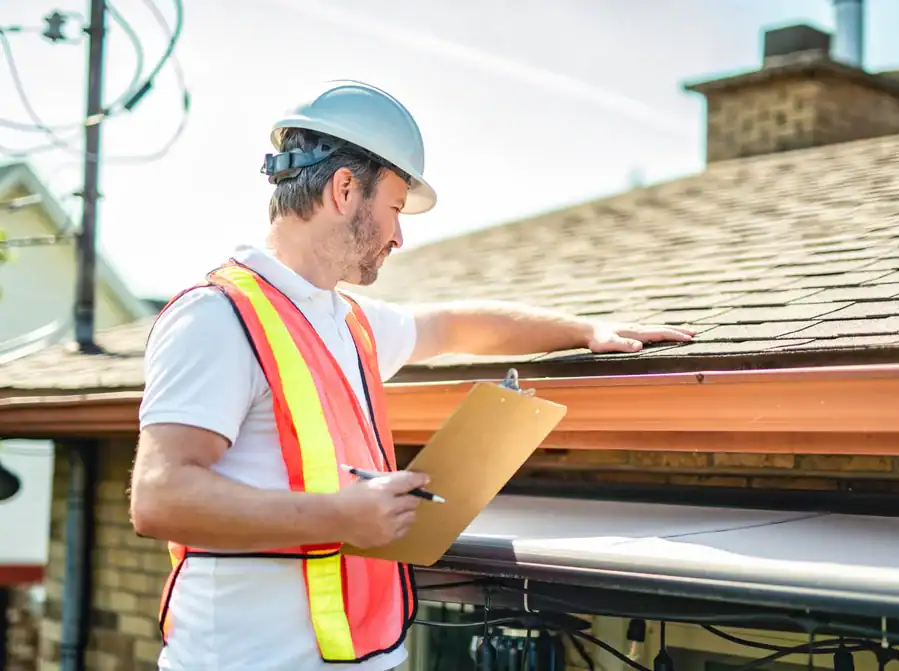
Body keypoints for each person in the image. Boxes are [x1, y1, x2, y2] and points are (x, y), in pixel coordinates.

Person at [129, 80, 696, 671]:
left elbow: (456, 326)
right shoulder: (218, 316)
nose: (399, 236)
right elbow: (160, 498)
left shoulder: (345, 321)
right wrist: (342, 515)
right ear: (345, 189)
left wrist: (584, 331)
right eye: (395, 208)